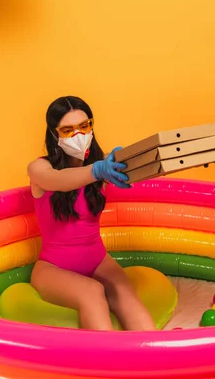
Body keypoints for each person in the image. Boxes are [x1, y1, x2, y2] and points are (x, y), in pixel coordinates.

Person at [26, 95, 156, 331]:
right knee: (92, 292)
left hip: (98, 260)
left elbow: (152, 162)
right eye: (68, 130)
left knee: (127, 296)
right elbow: (59, 180)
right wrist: (97, 171)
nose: (78, 135)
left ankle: (155, 362)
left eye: (84, 126)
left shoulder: (104, 165)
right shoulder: (39, 168)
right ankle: (110, 366)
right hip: (52, 268)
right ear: (54, 135)